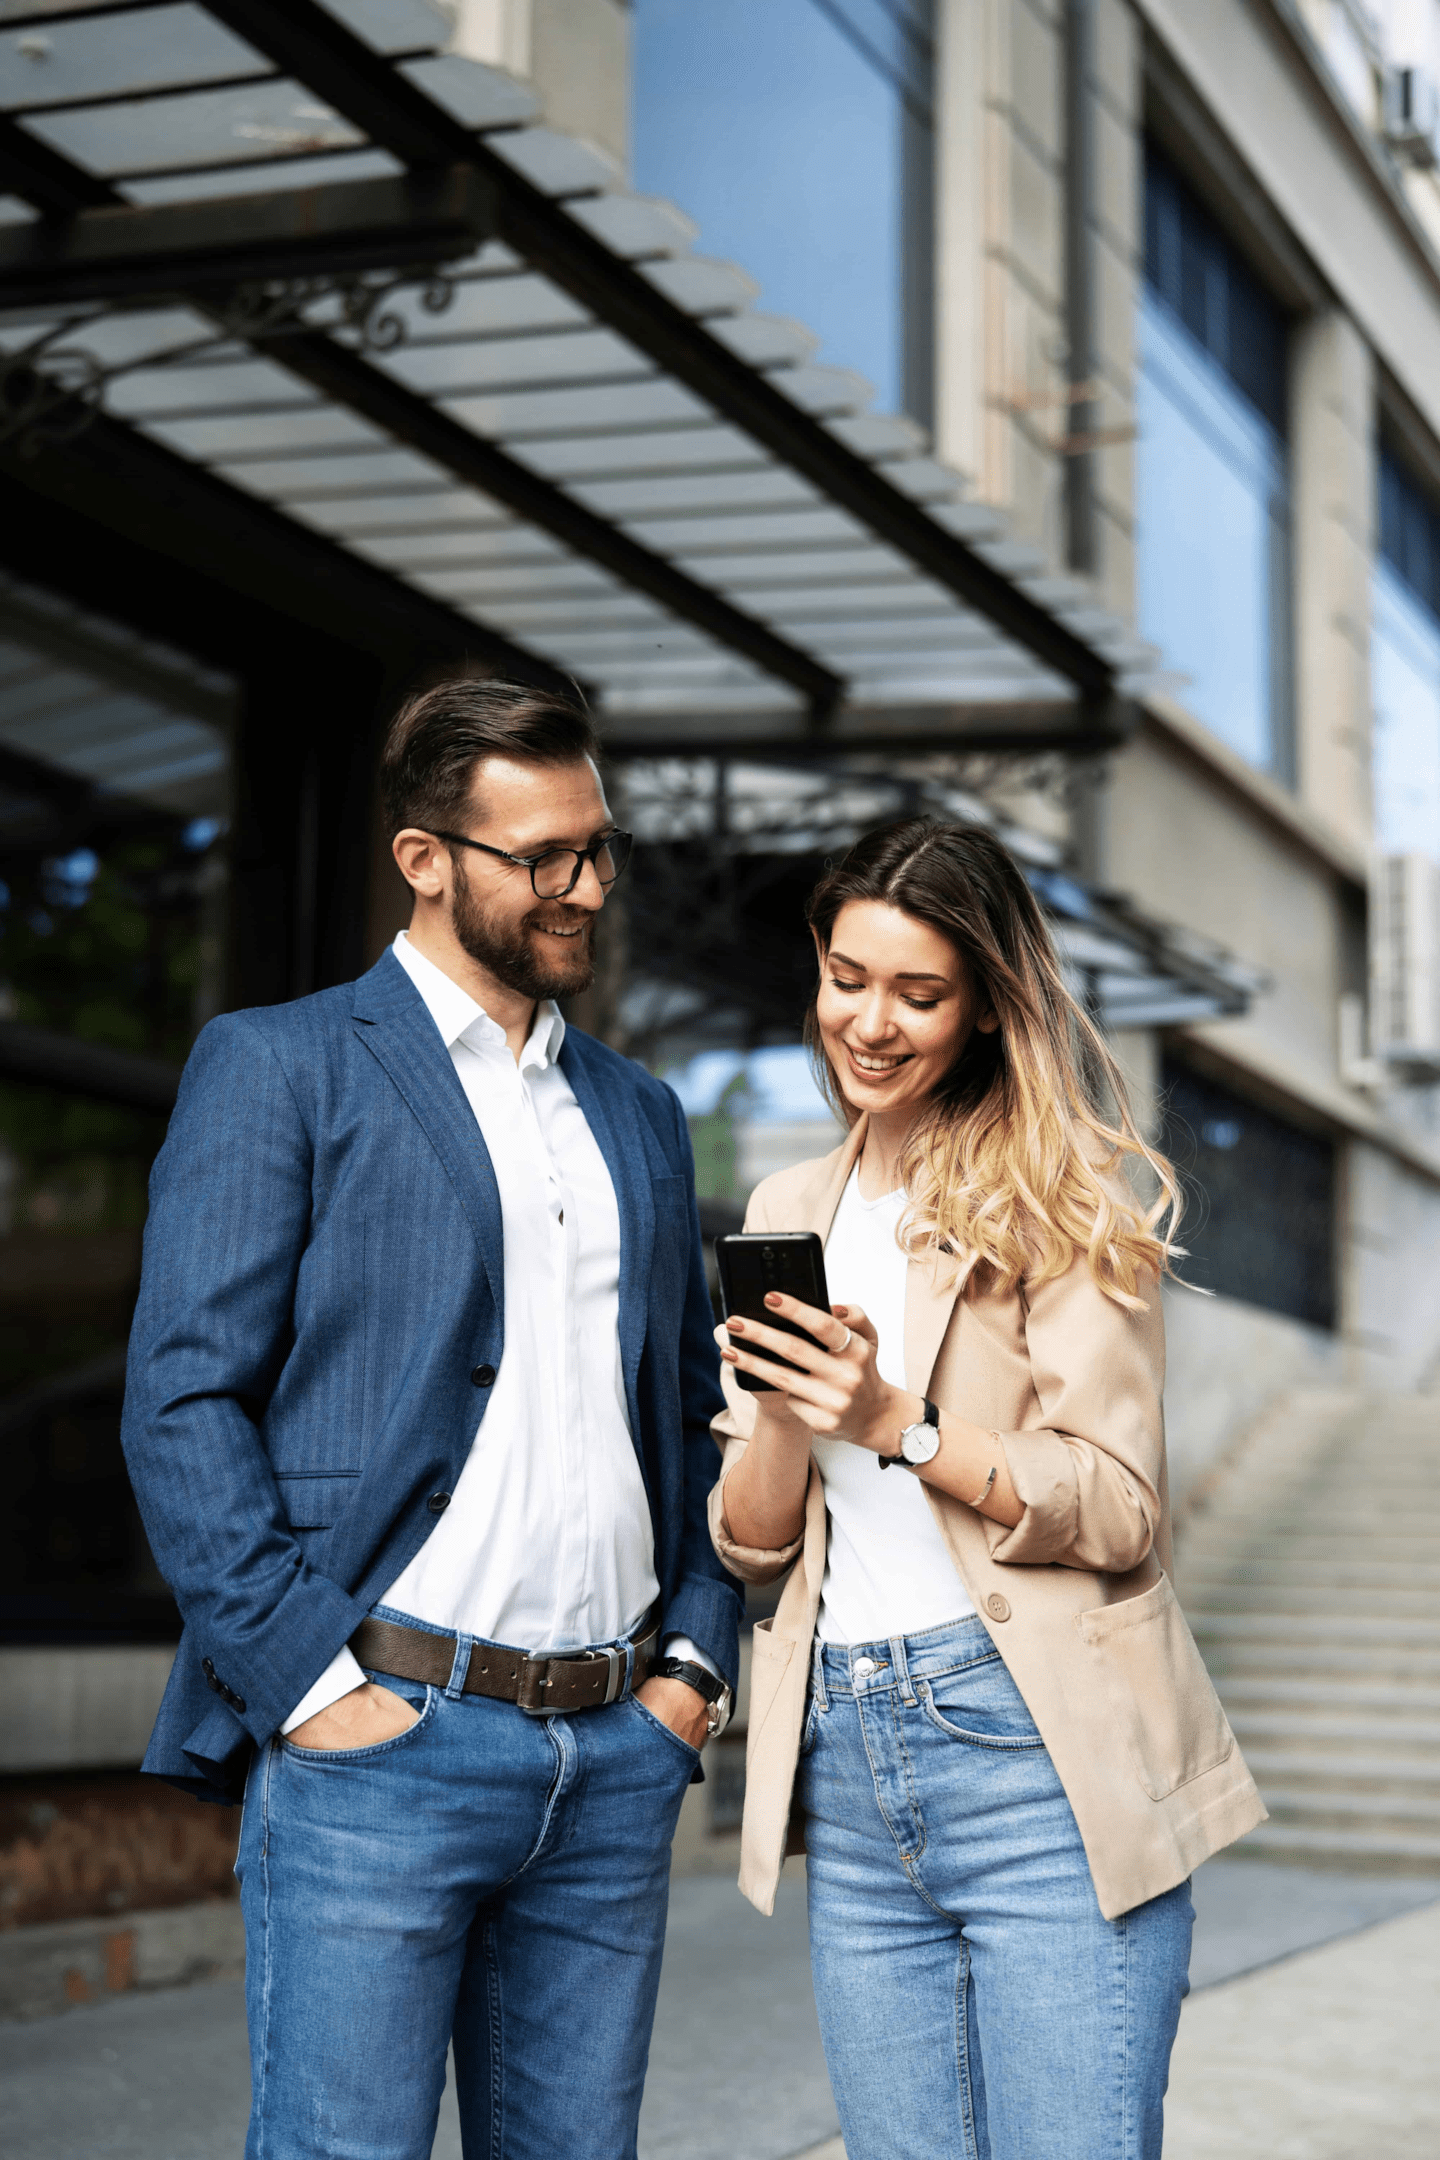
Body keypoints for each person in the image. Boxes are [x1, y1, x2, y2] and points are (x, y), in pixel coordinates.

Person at [121, 678, 740, 2160]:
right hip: (383, 1750)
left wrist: (694, 1666)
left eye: (599, 848)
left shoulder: (641, 1114)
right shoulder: (282, 1066)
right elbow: (183, 1398)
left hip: (613, 1755)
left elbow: (692, 1413)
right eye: (543, 857)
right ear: (424, 861)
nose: (585, 887)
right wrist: (310, 1686)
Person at [707, 819, 1265, 2160]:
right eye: (848, 978)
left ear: (986, 1008)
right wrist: (785, 1408)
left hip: (1036, 1760)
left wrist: (896, 1423)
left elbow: (1121, 1507)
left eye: (919, 993)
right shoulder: (788, 1202)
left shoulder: (1057, 1198)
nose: (871, 1023)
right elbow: (752, 1545)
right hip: (849, 1762)